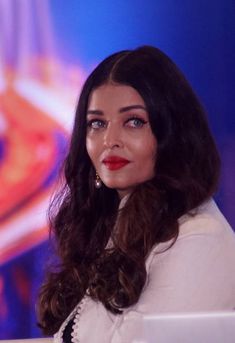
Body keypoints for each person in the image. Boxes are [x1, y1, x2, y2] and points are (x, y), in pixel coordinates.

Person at [37, 45, 235, 342]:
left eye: (134, 122)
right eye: (97, 124)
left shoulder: (196, 238)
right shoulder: (108, 232)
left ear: (173, 132)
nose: (110, 140)